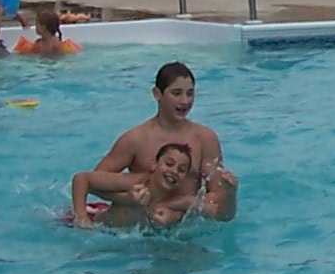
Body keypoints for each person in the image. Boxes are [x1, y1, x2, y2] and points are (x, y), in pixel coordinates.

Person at [90, 61, 232, 193]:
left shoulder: (205, 139)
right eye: (176, 93)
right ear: (157, 94)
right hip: (145, 217)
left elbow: (217, 198)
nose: (185, 101)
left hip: (185, 218)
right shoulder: (135, 140)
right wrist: (129, 200)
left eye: (190, 93)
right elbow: (94, 183)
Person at [69, 138, 236, 228]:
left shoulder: (180, 201)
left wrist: (231, 194)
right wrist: (81, 217)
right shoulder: (137, 183)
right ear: (154, 164)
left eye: (181, 169)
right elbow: (82, 179)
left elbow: (223, 215)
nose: (173, 172)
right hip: (97, 223)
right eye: (169, 164)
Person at [12, 6, 82, 56]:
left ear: (43, 27)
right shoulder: (41, 43)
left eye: (37, 24)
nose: (35, 27)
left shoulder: (53, 45)